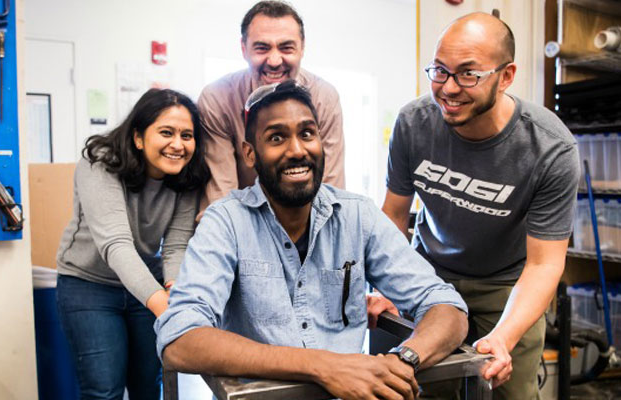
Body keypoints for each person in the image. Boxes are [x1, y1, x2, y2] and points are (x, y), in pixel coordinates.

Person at [156, 81, 468, 400]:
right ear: (250, 154)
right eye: (277, 138)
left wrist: (402, 360)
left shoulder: (358, 215)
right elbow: (180, 340)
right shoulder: (226, 222)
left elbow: (447, 307)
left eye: (307, 134)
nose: (297, 150)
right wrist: (324, 366)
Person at [379, 12, 580, 399]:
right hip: (428, 274)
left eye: (468, 74)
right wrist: (387, 283)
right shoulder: (413, 123)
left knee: (511, 391)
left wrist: (503, 336)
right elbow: (394, 216)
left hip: (505, 284)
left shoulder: (549, 148)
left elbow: (544, 263)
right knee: (420, 389)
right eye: (439, 71)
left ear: (506, 76)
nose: (448, 88)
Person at [55, 88, 210, 400]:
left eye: (187, 135)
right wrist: (165, 308)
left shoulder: (188, 175)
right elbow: (117, 245)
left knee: (146, 387)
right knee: (104, 390)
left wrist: (174, 288)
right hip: (89, 284)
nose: (178, 145)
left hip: (144, 282)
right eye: (166, 132)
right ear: (139, 137)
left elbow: (176, 244)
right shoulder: (100, 162)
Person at [197, 0, 345, 216]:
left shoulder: (324, 98)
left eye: (286, 47)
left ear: (302, 48)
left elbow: (330, 194)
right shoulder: (217, 99)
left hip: (308, 226)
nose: (275, 61)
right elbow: (222, 199)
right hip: (243, 227)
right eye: (262, 48)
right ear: (243, 49)